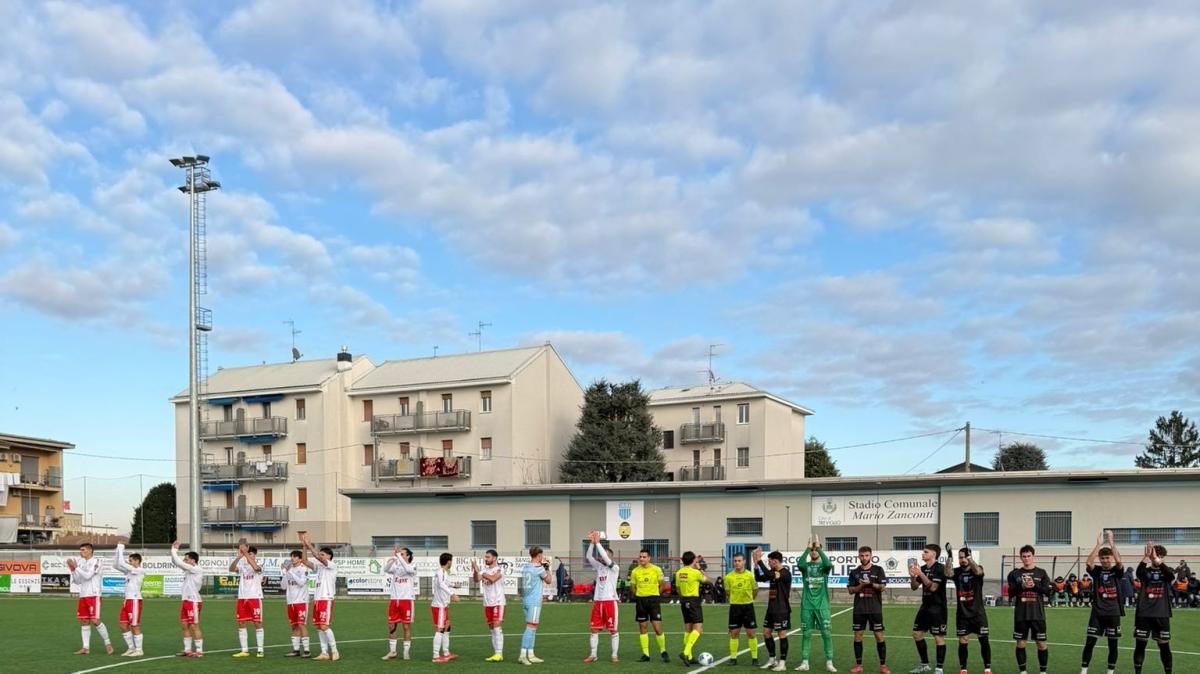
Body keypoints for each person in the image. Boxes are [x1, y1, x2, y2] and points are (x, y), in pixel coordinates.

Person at [1081, 530, 1124, 674]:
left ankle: (1110, 672)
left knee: (1113, 644)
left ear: (1110, 558)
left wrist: (1111, 542)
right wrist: (1098, 545)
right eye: (1103, 558)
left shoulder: (1116, 571)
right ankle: (1084, 670)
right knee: (1090, 643)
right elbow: (1088, 562)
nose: (1105, 560)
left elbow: (1119, 562)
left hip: (1113, 612)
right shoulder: (1097, 571)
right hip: (1097, 612)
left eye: (1107, 558)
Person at [947, 543, 992, 674]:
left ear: (969, 557)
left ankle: (987, 668)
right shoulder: (957, 572)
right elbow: (948, 574)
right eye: (960, 557)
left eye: (964, 557)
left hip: (978, 613)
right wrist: (950, 556)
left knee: (983, 639)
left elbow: (979, 572)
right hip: (962, 614)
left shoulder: (976, 569)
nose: (962, 560)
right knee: (963, 640)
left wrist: (970, 558)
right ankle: (963, 669)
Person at [1008, 545, 1053, 674]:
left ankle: (1043, 672)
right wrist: (1021, 585)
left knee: (1041, 644)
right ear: (1020, 557)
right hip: (1021, 615)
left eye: (1029, 556)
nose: (1026, 558)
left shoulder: (1041, 572)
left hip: (1037, 615)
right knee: (1021, 644)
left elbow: (1048, 592)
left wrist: (1034, 586)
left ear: (1033, 556)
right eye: (1024, 556)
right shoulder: (1015, 574)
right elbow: (1010, 592)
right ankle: (1023, 672)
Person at [799, 535, 837, 673]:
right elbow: (800, 563)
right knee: (806, 634)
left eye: (816, 550)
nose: (814, 552)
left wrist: (820, 548)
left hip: (822, 606)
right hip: (807, 605)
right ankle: (804, 662)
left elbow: (828, 564)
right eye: (812, 550)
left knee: (826, 633)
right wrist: (807, 548)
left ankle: (829, 662)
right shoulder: (806, 567)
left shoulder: (824, 567)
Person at [1134, 543, 1173, 674]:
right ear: (1150, 557)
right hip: (1144, 614)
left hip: (1162, 614)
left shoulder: (1167, 571)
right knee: (1140, 646)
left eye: (1161, 557)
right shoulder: (1145, 572)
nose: (1158, 558)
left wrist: (1157, 560)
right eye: (1156, 556)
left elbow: (1170, 576)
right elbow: (1139, 572)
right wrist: (1147, 556)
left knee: (1164, 646)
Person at [67, 542, 112, 655]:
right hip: (83, 595)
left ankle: (107, 643)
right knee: (84, 621)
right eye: (80, 550)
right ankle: (85, 648)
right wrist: (73, 570)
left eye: (83, 550)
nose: (81, 552)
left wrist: (76, 567)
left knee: (95, 620)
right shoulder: (81, 563)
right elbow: (77, 581)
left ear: (90, 550)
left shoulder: (97, 561)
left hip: (94, 594)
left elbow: (88, 576)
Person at [849, 546, 888, 674]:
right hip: (859, 609)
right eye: (862, 555)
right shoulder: (854, 572)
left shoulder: (878, 570)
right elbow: (851, 590)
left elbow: (882, 587)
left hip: (874, 609)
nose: (864, 558)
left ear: (871, 556)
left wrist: (870, 583)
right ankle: (859, 665)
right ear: (858, 556)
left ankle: (883, 665)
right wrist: (861, 585)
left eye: (866, 555)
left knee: (878, 636)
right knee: (858, 636)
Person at [909, 544, 947, 674]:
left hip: (938, 607)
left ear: (934, 554)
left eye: (926, 552)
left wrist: (920, 573)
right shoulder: (923, 568)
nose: (923, 554)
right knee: (917, 634)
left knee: (938, 637)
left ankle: (939, 668)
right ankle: (924, 664)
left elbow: (933, 588)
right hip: (925, 606)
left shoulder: (940, 569)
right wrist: (913, 576)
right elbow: (914, 587)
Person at [584, 531, 621, 664]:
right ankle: (593, 654)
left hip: (610, 602)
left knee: (613, 630)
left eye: (606, 555)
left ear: (611, 557)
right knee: (594, 629)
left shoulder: (614, 568)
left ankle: (614, 655)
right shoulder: (599, 567)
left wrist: (598, 542)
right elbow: (589, 556)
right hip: (597, 602)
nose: (602, 557)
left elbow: (604, 557)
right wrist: (592, 543)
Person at [302, 533, 339, 661]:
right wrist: (305, 547)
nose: (320, 556)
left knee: (324, 626)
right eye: (321, 554)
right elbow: (305, 561)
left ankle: (334, 651)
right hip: (317, 600)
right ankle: (324, 652)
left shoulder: (332, 566)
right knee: (318, 627)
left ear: (329, 557)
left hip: (326, 599)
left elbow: (318, 557)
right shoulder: (319, 567)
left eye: (323, 554)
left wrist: (309, 544)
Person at [755, 548, 793, 672]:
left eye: (769, 561)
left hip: (781, 609)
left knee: (781, 634)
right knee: (766, 632)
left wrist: (759, 560)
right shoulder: (772, 572)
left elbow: (769, 574)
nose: (769, 563)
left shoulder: (784, 573)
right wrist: (756, 565)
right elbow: (759, 578)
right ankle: (772, 660)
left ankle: (782, 663)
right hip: (771, 609)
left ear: (775, 561)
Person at [630, 548, 671, 662]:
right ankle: (646, 654)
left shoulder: (656, 569)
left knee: (657, 628)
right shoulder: (635, 571)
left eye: (644, 557)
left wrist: (657, 594)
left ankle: (663, 651)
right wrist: (638, 595)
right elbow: (632, 587)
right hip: (641, 601)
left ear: (649, 558)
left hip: (653, 600)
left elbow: (662, 584)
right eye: (640, 557)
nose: (641, 559)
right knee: (643, 628)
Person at [675, 549, 712, 666]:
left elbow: (678, 589)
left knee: (688, 629)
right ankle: (685, 652)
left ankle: (690, 657)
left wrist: (683, 598)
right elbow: (708, 581)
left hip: (683, 601)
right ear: (693, 560)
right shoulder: (695, 572)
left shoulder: (679, 572)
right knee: (697, 629)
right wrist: (699, 568)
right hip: (693, 602)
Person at [229, 542, 265, 658]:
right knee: (241, 622)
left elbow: (255, 568)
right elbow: (231, 569)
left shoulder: (259, 564)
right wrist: (239, 557)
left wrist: (245, 553)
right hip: (242, 597)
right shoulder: (243, 565)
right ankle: (244, 650)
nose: (247, 556)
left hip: (254, 597)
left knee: (257, 622)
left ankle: (260, 649)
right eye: (247, 554)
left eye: (250, 554)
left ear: (254, 555)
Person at [383, 545, 418, 661]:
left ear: (408, 556)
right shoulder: (397, 567)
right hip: (394, 600)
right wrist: (393, 558)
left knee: (406, 626)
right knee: (391, 625)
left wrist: (398, 556)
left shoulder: (412, 565)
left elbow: (408, 570)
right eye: (400, 553)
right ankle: (392, 652)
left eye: (403, 554)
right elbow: (386, 569)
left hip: (406, 600)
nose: (400, 555)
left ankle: (406, 652)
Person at [170, 540, 205, 657]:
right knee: (184, 625)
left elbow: (179, 563)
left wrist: (174, 550)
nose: (184, 561)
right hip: (186, 601)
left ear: (193, 561)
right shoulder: (188, 570)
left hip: (193, 601)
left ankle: (199, 651)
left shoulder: (197, 569)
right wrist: (173, 552)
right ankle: (187, 650)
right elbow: (176, 562)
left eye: (186, 559)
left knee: (195, 626)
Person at [724, 551, 759, 666]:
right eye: (735, 561)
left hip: (748, 607)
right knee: (734, 634)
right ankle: (733, 659)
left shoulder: (749, 575)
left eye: (739, 561)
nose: (737, 563)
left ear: (744, 561)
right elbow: (728, 592)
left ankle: (755, 658)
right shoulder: (728, 577)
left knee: (751, 634)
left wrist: (750, 599)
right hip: (735, 607)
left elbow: (755, 590)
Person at [520, 545, 553, 665]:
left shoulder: (526, 567)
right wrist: (548, 569)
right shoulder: (539, 568)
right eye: (541, 555)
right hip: (534, 601)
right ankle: (523, 655)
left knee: (533, 628)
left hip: (525, 600)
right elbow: (548, 580)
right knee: (531, 627)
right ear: (539, 556)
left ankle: (531, 653)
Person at [473, 548, 507, 662]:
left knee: (497, 627)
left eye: (488, 557)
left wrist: (481, 572)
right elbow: (476, 579)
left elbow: (492, 579)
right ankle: (496, 653)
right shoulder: (484, 570)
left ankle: (499, 654)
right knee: (492, 629)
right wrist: (475, 570)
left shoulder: (500, 569)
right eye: (485, 557)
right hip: (487, 603)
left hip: (498, 602)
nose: (485, 559)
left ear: (494, 558)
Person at [113, 542, 146, 657]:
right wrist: (118, 550)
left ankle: (139, 650)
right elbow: (116, 565)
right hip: (127, 601)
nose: (129, 562)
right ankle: (131, 648)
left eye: (131, 561)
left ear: (137, 561)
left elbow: (121, 563)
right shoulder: (129, 571)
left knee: (134, 625)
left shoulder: (139, 571)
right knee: (123, 625)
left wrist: (121, 548)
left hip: (135, 601)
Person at [281, 548, 312, 657]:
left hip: (301, 601)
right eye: (291, 557)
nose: (292, 559)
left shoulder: (304, 569)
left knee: (301, 624)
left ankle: (307, 650)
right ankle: (296, 650)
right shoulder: (290, 570)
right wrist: (285, 573)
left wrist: (290, 572)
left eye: (294, 557)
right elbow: (283, 586)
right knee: (294, 626)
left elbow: (301, 583)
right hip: (290, 602)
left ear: (300, 559)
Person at [432, 552, 460, 662]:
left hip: (443, 606)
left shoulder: (443, 572)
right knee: (440, 629)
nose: (451, 563)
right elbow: (441, 584)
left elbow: (445, 582)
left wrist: (454, 585)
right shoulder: (440, 572)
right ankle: (435, 656)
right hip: (439, 606)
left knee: (447, 627)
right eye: (451, 561)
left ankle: (446, 652)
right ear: (448, 562)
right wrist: (452, 594)